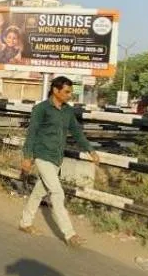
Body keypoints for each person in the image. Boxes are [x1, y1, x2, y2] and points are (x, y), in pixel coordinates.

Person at [18, 76, 99, 247]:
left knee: (39, 192)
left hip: (57, 158)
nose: (70, 95)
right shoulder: (41, 109)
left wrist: (90, 150)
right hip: (42, 155)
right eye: (67, 92)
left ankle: (25, 222)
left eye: (70, 92)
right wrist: (27, 157)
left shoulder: (68, 111)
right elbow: (32, 133)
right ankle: (70, 234)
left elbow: (77, 132)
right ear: (55, 90)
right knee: (57, 192)